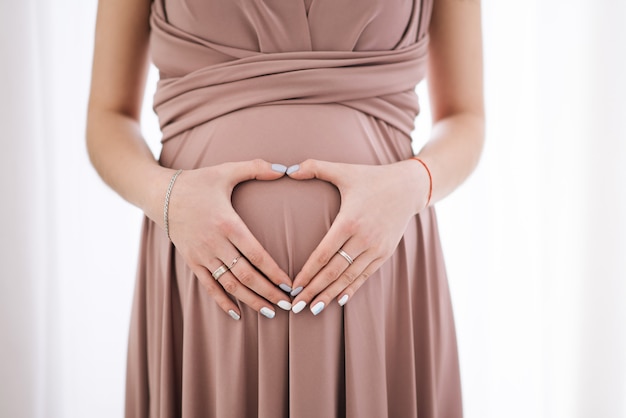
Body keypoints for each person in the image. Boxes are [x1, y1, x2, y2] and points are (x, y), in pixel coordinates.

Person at [86, 0, 484, 416]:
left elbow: (465, 116)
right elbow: (108, 117)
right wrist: (167, 198)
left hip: (378, 273)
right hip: (205, 277)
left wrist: (411, 185)